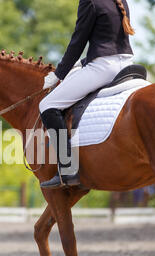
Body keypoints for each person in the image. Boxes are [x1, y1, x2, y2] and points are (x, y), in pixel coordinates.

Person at [39, 0, 135, 189]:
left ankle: (67, 168)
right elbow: (106, 39)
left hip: (104, 67)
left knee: (47, 105)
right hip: (126, 63)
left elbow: (78, 41)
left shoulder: (90, 1)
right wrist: (83, 63)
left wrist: (58, 74)